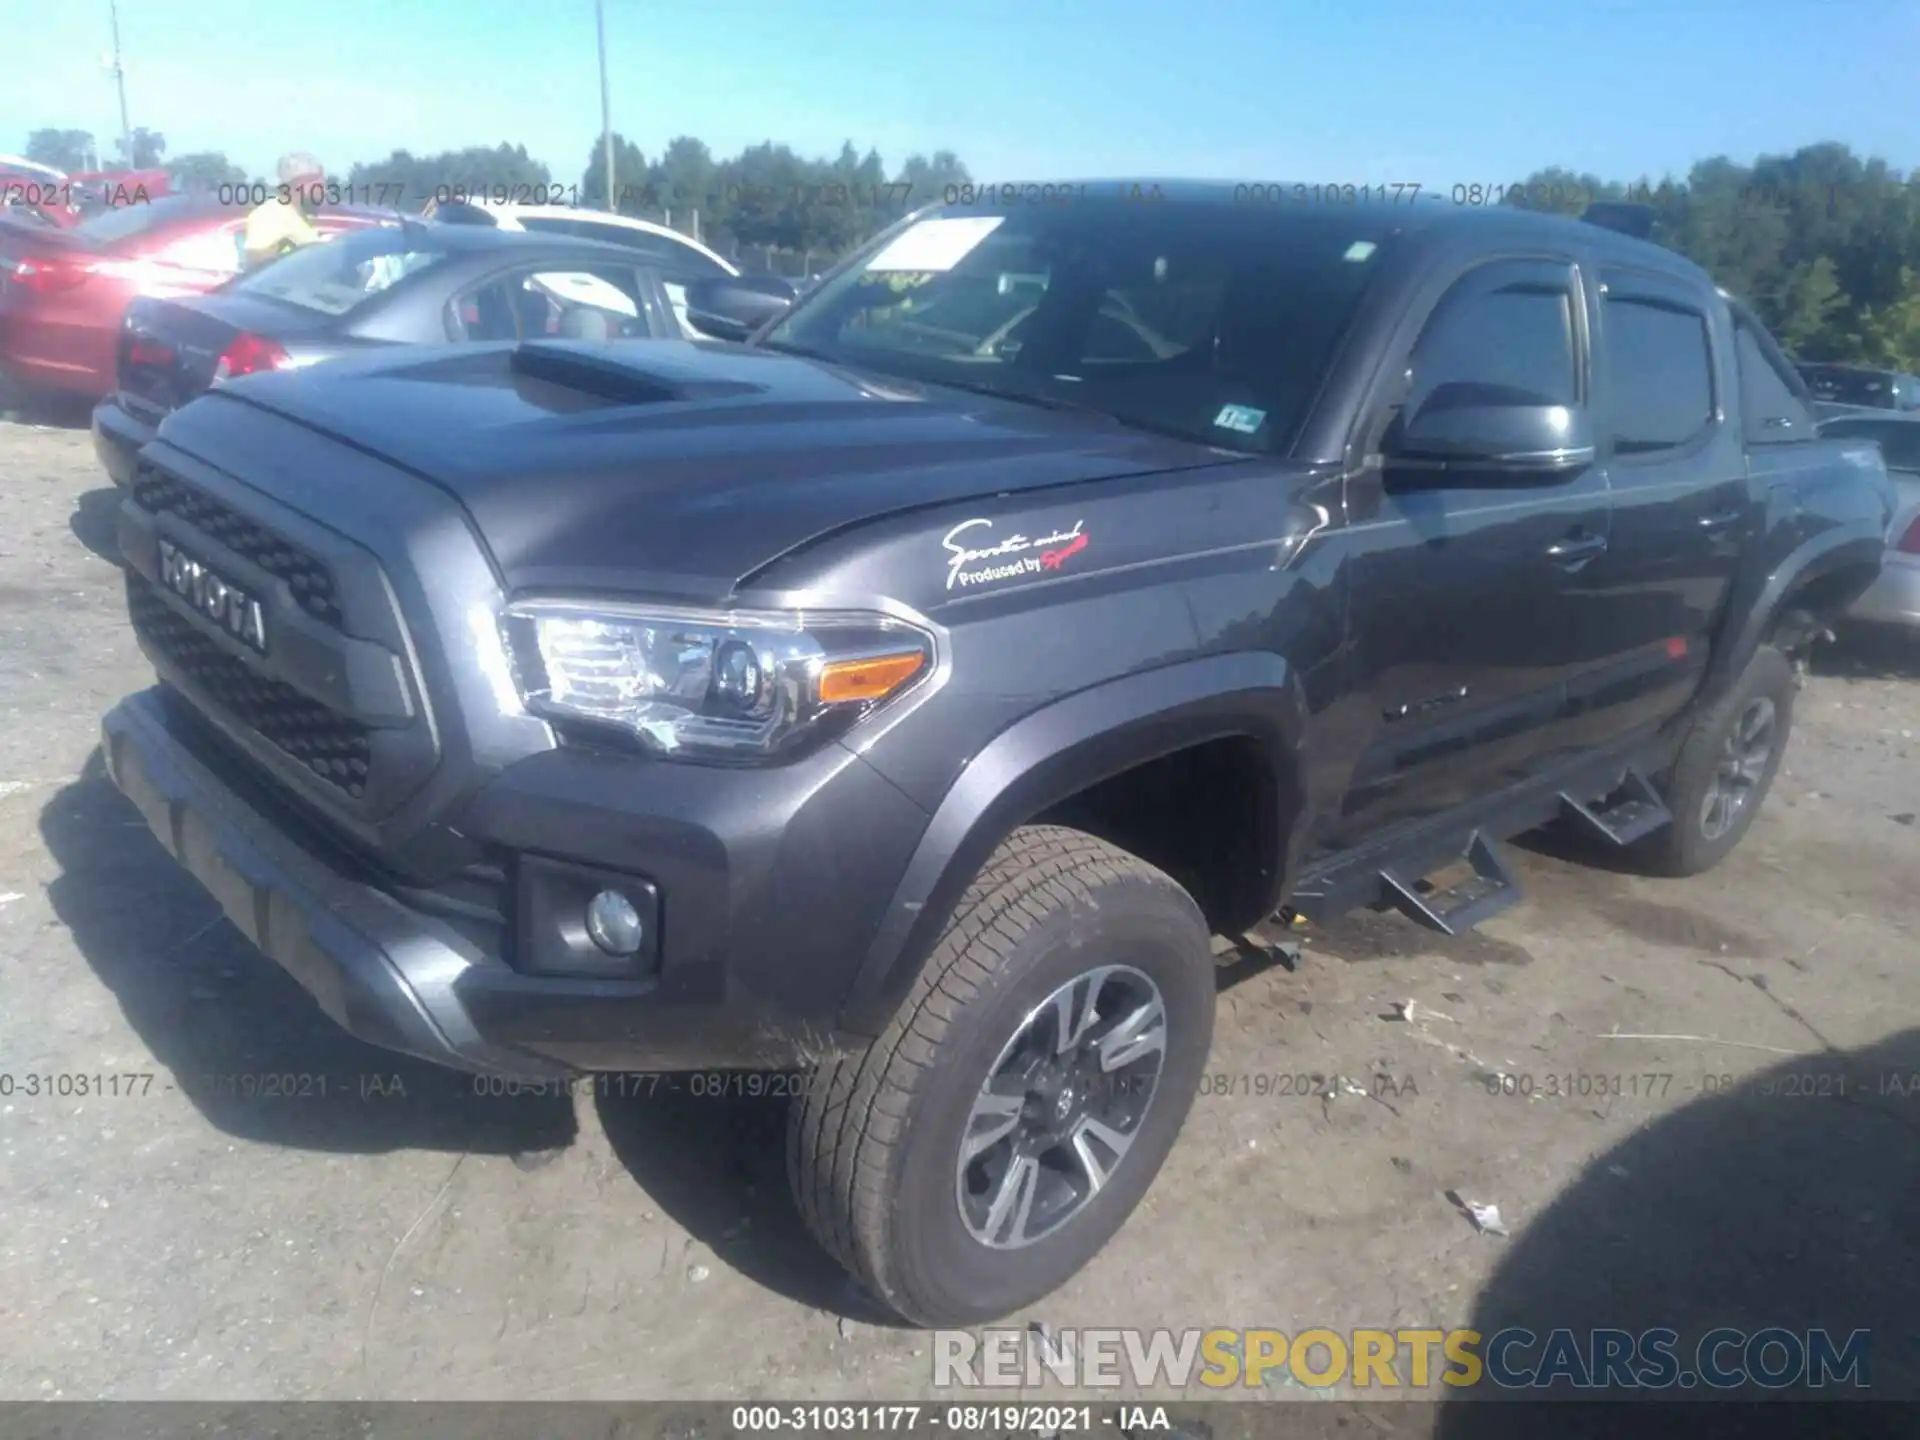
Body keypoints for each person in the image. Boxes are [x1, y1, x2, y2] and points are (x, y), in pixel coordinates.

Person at [242, 152, 326, 269]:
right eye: (319, 186)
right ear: (300, 184)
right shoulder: (271, 214)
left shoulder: (299, 213)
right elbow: (254, 261)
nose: (324, 191)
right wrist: (286, 253)